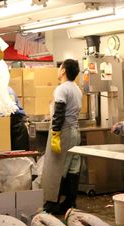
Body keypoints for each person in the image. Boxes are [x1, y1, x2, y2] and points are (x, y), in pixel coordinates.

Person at [41, 59, 82, 214]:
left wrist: (55, 133)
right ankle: (69, 203)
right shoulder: (77, 89)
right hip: (76, 132)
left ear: (64, 70)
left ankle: (51, 204)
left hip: (63, 132)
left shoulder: (61, 89)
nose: (58, 70)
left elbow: (59, 112)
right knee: (73, 168)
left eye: (60, 67)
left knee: (56, 168)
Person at [8, 86, 29, 151]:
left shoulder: (8, 91)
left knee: (19, 156)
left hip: (17, 126)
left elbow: (11, 109)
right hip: (13, 124)